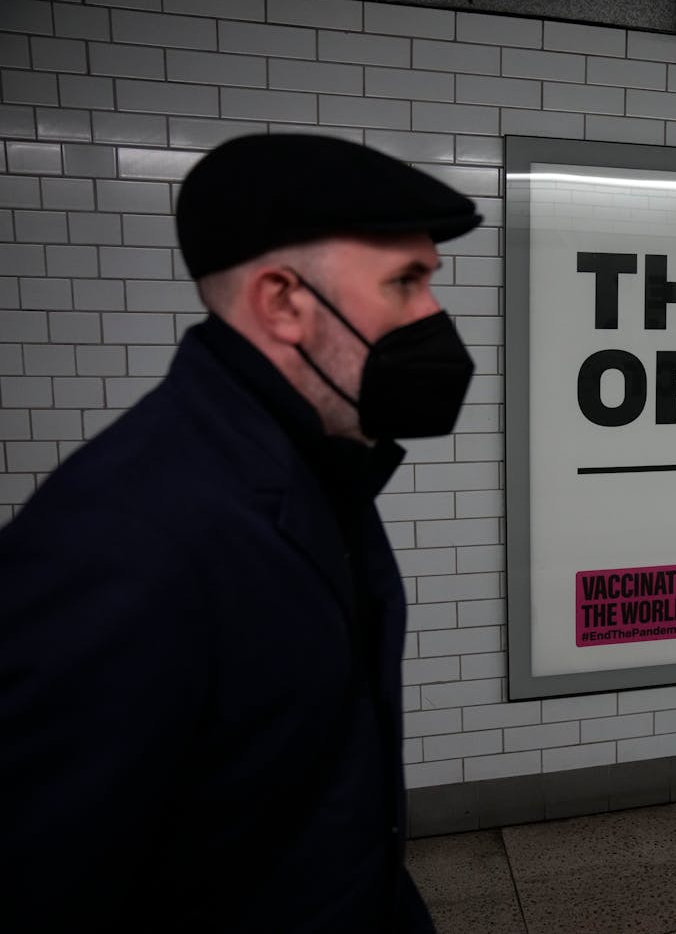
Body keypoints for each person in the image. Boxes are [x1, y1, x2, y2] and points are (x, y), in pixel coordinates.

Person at [0, 134, 481, 932]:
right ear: (282, 302)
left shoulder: (316, 464)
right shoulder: (120, 539)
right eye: (407, 282)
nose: (433, 314)